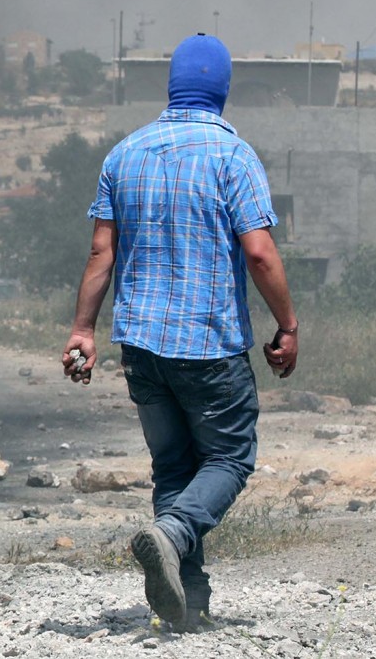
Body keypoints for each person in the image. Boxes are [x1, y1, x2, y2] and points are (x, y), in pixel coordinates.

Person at [61, 33, 298, 630]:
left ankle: (189, 605)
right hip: (209, 345)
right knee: (229, 456)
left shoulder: (124, 154)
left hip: (140, 346)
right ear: (223, 90)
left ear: (171, 87)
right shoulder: (233, 156)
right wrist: (288, 324)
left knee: (174, 469)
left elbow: (100, 252)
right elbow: (261, 254)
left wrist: (83, 330)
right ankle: (171, 533)